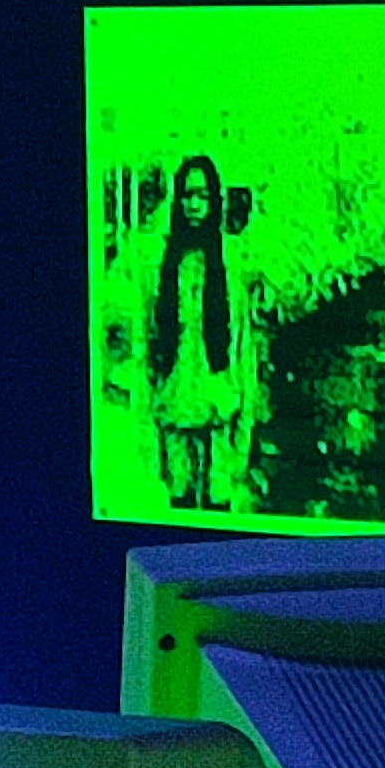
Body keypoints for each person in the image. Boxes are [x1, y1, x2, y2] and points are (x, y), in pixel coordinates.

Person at [147, 154, 258, 510]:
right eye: (188, 195)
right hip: (175, 409)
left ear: (214, 202)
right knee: (179, 509)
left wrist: (243, 426)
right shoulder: (163, 270)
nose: (194, 204)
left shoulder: (231, 269)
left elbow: (242, 351)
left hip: (218, 413)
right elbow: (148, 351)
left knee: (217, 510)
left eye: (203, 196)